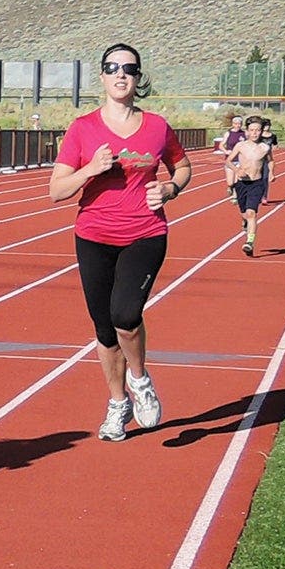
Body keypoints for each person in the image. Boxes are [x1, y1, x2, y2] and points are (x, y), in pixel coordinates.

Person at [49, 43, 191, 443]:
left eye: (128, 68)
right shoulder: (83, 128)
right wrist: (91, 169)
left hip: (145, 232)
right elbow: (56, 190)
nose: (120, 74)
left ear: (138, 77)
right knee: (104, 330)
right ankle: (117, 404)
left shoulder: (157, 127)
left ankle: (140, 379)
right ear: (102, 77)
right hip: (93, 236)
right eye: (112, 68)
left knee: (125, 315)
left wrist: (170, 189)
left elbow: (182, 167)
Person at [225, 115, 275, 257]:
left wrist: (271, 172)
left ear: (261, 131)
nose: (254, 133)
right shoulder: (240, 146)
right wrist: (237, 170)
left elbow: (271, 161)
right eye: (252, 130)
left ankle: (249, 242)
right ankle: (245, 222)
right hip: (241, 183)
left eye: (257, 130)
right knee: (244, 213)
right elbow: (228, 161)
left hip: (257, 183)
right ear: (247, 131)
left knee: (251, 213)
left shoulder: (265, 147)